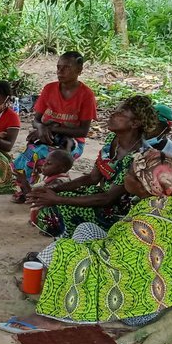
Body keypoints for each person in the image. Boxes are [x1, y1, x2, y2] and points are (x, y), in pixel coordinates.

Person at [35, 149, 172, 325]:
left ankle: (52, 297)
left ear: (143, 184)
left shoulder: (144, 225)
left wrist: (68, 254)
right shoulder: (165, 202)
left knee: (64, 251)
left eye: (130, 173)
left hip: (139, 310)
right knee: (87, 230)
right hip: (150, 291)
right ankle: (58, 281)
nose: (124, 176)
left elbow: (113, 259)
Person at [29, 95, 157, 238]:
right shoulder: (113, 140)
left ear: (135, 123)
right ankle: (67, 241)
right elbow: (92, 177)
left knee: (60, 205)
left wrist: (57, 198)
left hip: (117, 212)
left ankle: (71, 244)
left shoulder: (138, 156)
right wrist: (53, 188)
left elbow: (109, 198)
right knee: (51, 196)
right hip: (100, 197)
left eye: (120, 113)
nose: (112, 114)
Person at [12, 52, 97, 201]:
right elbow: (36, 120)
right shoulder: (49, 89)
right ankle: (27, 189)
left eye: (66, 68)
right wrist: (40, 128)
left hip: (73, 142)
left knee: (45, 155)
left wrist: (49, 128)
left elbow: (83, 131)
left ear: (79, 70)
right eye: (58, 67)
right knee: (27, 155)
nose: (60, 71)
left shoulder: (86, 95)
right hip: (48, 135)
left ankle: (48, 190)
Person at [28, 149, 75, 228]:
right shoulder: (51, 174)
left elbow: (45, 190)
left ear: (62, 169)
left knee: (48, 210)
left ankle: (49, 226)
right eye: (45, 161)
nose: (44, 165)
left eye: (49, 164)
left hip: (55, 210)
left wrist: (26, 185)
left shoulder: (59, 181)